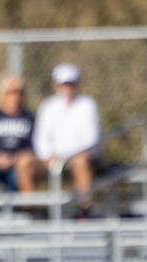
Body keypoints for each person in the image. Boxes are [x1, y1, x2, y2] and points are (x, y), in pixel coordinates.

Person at [32, 62, 102, 217]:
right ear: (56, 85)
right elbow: (41, 138)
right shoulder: (48, 107)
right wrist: (47, 156)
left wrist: (65, 155)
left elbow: (90, 139)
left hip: (81, 158)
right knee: (25, 163)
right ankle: (31, 211)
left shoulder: (88, 105)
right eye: (63, 84)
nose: (67, 88)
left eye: (71, 84)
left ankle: (85, 210)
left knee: (80, 161)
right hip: (53, 159)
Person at [0, 72, 39, 195]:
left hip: (17, 162)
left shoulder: (28, 118)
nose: (14, 97)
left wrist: (15, 158)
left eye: (18, 93)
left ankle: (15, 206)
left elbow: (32, 144)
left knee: (15, 178)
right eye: (9, 93)